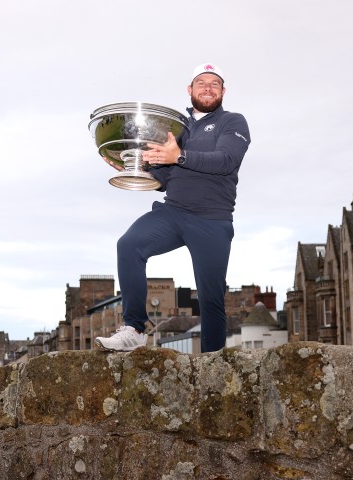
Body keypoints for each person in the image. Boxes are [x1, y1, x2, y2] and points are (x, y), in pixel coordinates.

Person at [95, 63, 251, 353]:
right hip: (173, 212)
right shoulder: (175, 127)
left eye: (214, 84)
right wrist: (132, 166)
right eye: (201, 83)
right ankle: (134, 330)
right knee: (128, 245)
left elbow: (226, 160)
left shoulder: (233, 122)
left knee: (211, 299)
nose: (207, 87)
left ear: (223, 91)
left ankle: (211, 364)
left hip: (212, 220)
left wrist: (178, 156)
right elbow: (163, 179)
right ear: (189, 89)